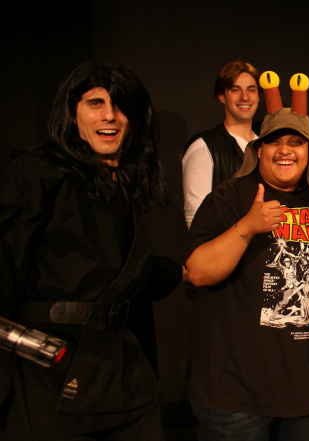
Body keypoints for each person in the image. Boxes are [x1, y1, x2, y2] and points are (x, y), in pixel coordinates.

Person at [0, 61, 183, 440]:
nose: (110, 116)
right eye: (95, 103)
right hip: (50, 373)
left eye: (120, 106)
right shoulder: (36, 173)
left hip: (121, 369)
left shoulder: (124, 183)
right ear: (72, 113)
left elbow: (114, 272)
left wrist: (182, 272)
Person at [185, 83, 309, 440]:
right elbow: (198, 272)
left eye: (296, 142)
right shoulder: (230, 196)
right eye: (274, 141)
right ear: (259, 149)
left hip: (307, 393)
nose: (285, 150)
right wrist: (246, 228)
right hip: (237, 397)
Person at [182, 61, 261, 227]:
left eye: (251, 90)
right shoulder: (203, 147)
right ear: (221, 96)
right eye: (235, 89)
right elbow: (196, 219)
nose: (245, 97)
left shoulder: (267, 145)